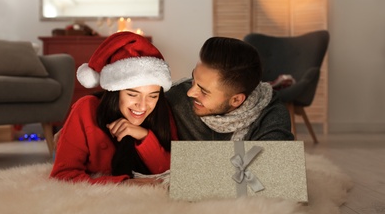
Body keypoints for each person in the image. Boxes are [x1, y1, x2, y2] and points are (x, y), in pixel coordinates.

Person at [49, 31, 177, 185]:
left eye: (153, 95)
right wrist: (122, 184)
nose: (143, 105)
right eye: (132, 94)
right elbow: (63, 176)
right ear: (115, 92)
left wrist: (144, 136)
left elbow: (175, 172)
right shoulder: (86, 108)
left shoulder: (162, 109)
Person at [165, 36, 294, 141]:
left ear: (236, 100)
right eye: (194, 79)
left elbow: (273, 169)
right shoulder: (176, 97)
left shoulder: (272, 116)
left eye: (203, 91)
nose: (190, 92)